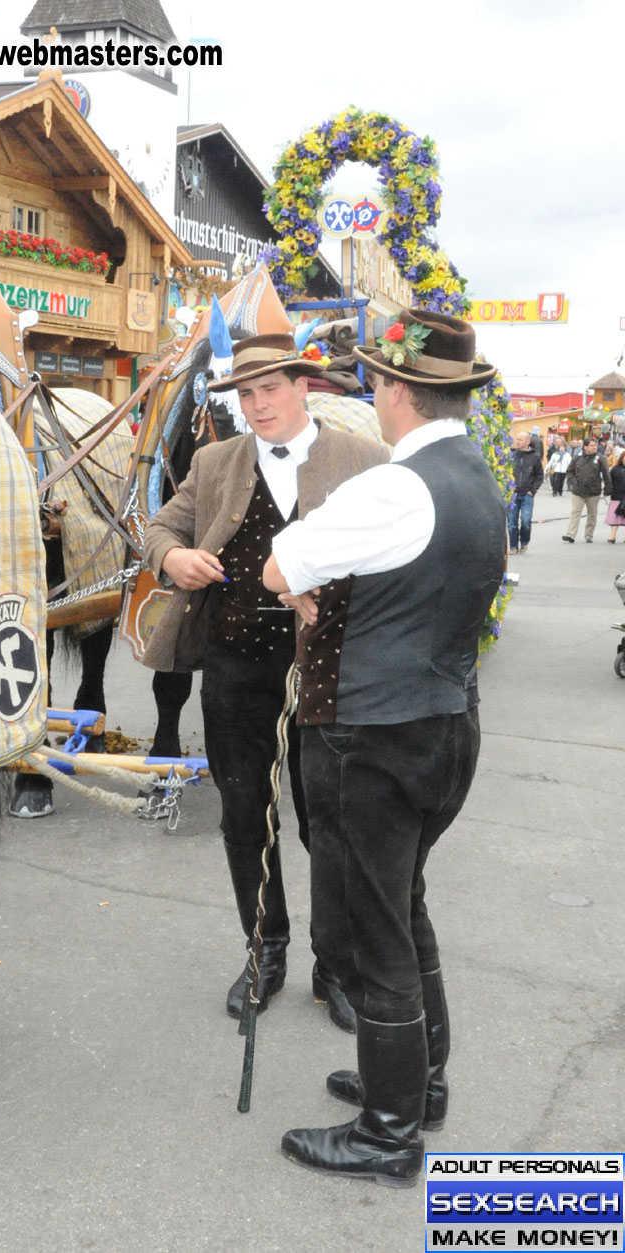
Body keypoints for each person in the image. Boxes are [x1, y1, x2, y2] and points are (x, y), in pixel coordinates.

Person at [263, 309, 505, 1187]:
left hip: (382, 735)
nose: (374, 393)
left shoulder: (396, 487)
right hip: (448, 724)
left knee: (378, 931)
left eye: (377, 381)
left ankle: (389, 1130)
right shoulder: (476, 474)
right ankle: (419, 1079)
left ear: (398, 390)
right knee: (405, 905)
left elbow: (281, 567)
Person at [142, 333, 388, 1030]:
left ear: (304, 386)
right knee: (245, 817)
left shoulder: (363, 458)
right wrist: (175, 557)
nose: (257, 405)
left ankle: (335, 965)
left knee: (328, 823)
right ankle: (264, 949)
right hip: (234, 668)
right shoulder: (216, 460)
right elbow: (159, 527)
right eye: (245, 393)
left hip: (330, 672)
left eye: (270, 389)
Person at [563, 437, 612, 543]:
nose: (595, 447)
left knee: (592, 514)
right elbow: (569, 472)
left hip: (594, 491)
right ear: (585, 447)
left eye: (595, 445)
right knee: (575, 512)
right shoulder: (577, 458)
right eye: (592, 445)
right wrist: (573, 482)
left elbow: (606, 475)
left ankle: (589, 534)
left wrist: (608, 488)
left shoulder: (601, 458)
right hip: (578, 491)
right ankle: (571, 534)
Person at [508, 431, 543, 553]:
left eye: (520, 440)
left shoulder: (535, 456)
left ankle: (524, 542)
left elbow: (539, 476)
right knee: (512, 522)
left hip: (527, 494)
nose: (517, 442)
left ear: (528, 442)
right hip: (513, 493)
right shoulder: (512, 454)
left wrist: (532, 490)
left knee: (525, 521)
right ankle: (513, 546)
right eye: (516, 439)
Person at [605, 450, 625, 543]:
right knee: (614, 518)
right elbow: (609, 482)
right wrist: (608, 490)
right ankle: (612, 537)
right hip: (617, 496)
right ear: (621, 458)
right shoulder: (615, 469)